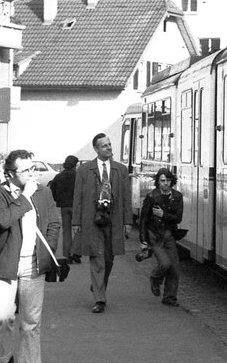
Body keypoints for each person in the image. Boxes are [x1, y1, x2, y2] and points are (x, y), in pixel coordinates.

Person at [0, 149, 62, 363]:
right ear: (9, 173)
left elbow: (53, 222)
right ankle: (5, 358)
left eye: (32, 169)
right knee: (3, 317)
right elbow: (3, 220)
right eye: (25, 170)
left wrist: (48, 247)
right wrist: (24, 198)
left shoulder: (43, 192)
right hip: (6, 266)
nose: (31, 174)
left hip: (33, 266)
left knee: (31, 323)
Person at [73, 133, 131, 313]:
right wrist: (76, 221)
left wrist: (127, 221)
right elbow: (78, 196)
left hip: (113, 220)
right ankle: (100, 299)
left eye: (109, 144)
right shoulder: (85, 170)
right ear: (96, 149)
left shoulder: (120, 170)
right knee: (97, 257)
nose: (109, 148)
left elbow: (126, 198)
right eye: (104, 146)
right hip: (92, 219)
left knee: (109, 257)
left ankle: (98, 285)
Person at [139, 168, 184, 307]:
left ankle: (170, 297)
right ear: (158, 182)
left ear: (172, 181)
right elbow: (143, 219)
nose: (165, 184)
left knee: (175, 268)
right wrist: (144, 240)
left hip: (169, 235)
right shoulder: (152, 196)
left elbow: (178, 218)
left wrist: (163, 215)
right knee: (165, 263)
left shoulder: (177, 196)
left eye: (168, 180)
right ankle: (155, 277)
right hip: (155, 236)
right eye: (162, 181)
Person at [48, 155, 80, 264]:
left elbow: (52, 191)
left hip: (64, 207)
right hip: (76, 206)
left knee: (66, 232)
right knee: (78, 230)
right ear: (75, 165)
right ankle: (76, 252)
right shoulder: (78, 176)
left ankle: (67, 255)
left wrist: (58, 200)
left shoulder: (59, 176)